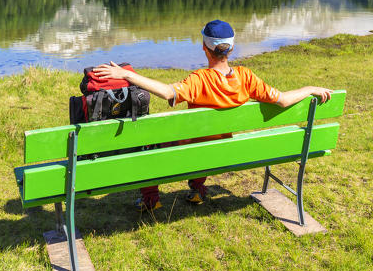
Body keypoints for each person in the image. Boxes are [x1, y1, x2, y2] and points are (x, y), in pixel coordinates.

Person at [93, 19, 332, 210]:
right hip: (219, 153)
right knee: (208, 140)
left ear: (205, 47)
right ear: (231, 47)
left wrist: (128, 75)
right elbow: (283, 100)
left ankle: (150, 199)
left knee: (148, 145)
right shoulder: (246, 78)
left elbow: (168, 93)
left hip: (184, 152)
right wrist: (311, 88)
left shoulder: (199, 80)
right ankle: (198, 190)